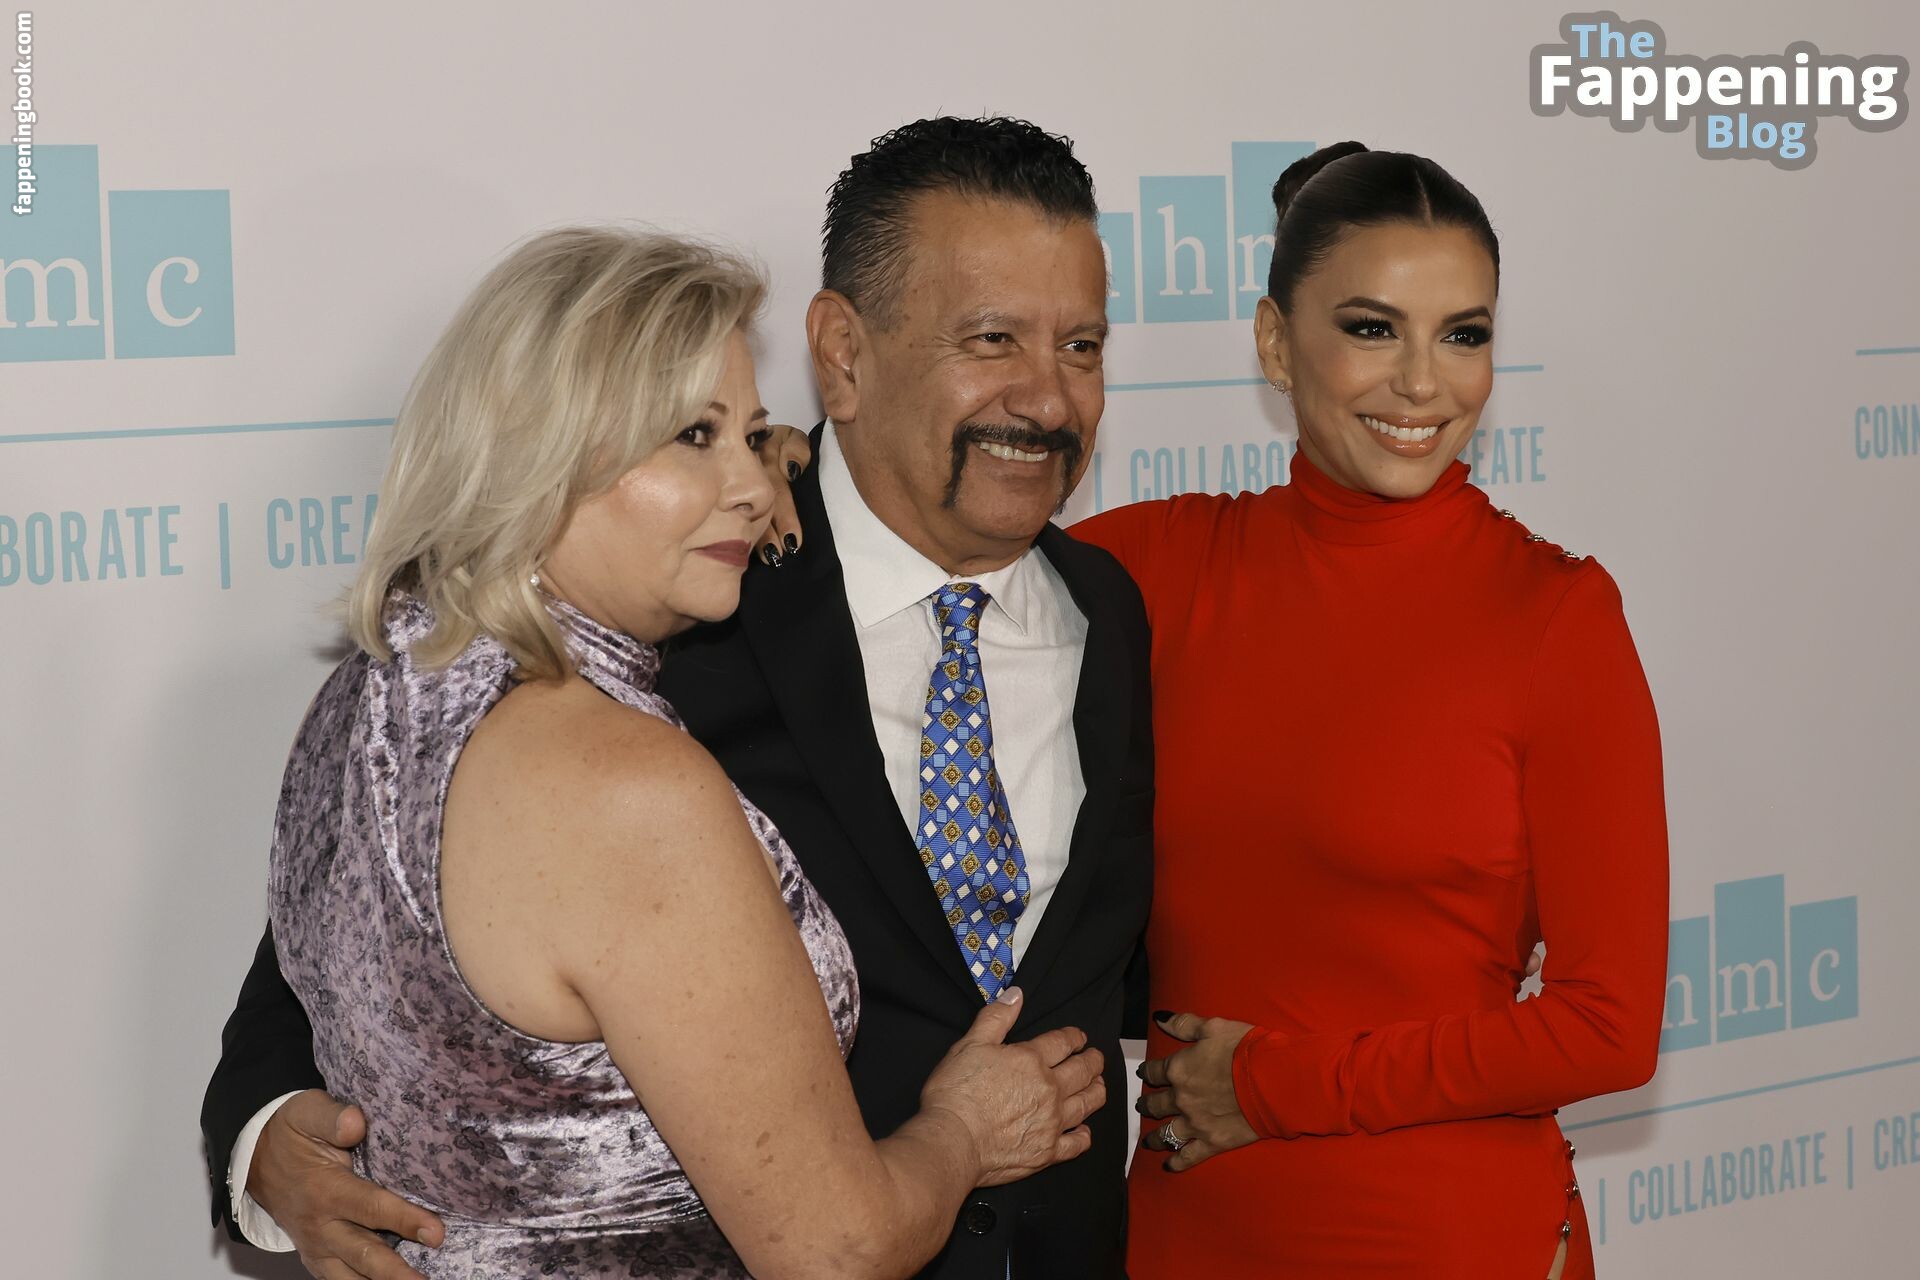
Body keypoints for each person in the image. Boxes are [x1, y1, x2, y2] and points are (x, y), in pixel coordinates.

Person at [201, 117, 1154, 1280]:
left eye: (1083, 346)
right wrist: (265, 1136)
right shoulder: (684, 609)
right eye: (992, 338)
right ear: (844, 354)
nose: (1048, 398)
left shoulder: (1108, 607)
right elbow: (352, 936)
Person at [1072, 142, 1668, 1279]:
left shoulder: (1555, 616)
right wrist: (796, 479)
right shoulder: (1154, 569)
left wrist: (1273, 1085)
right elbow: (929, 552)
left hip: (1448, 1237)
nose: (1423, 383)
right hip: (1190, 1236)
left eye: (1463, 334)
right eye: (1371, 328)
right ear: (1273, 342)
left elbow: (1608, 1025)